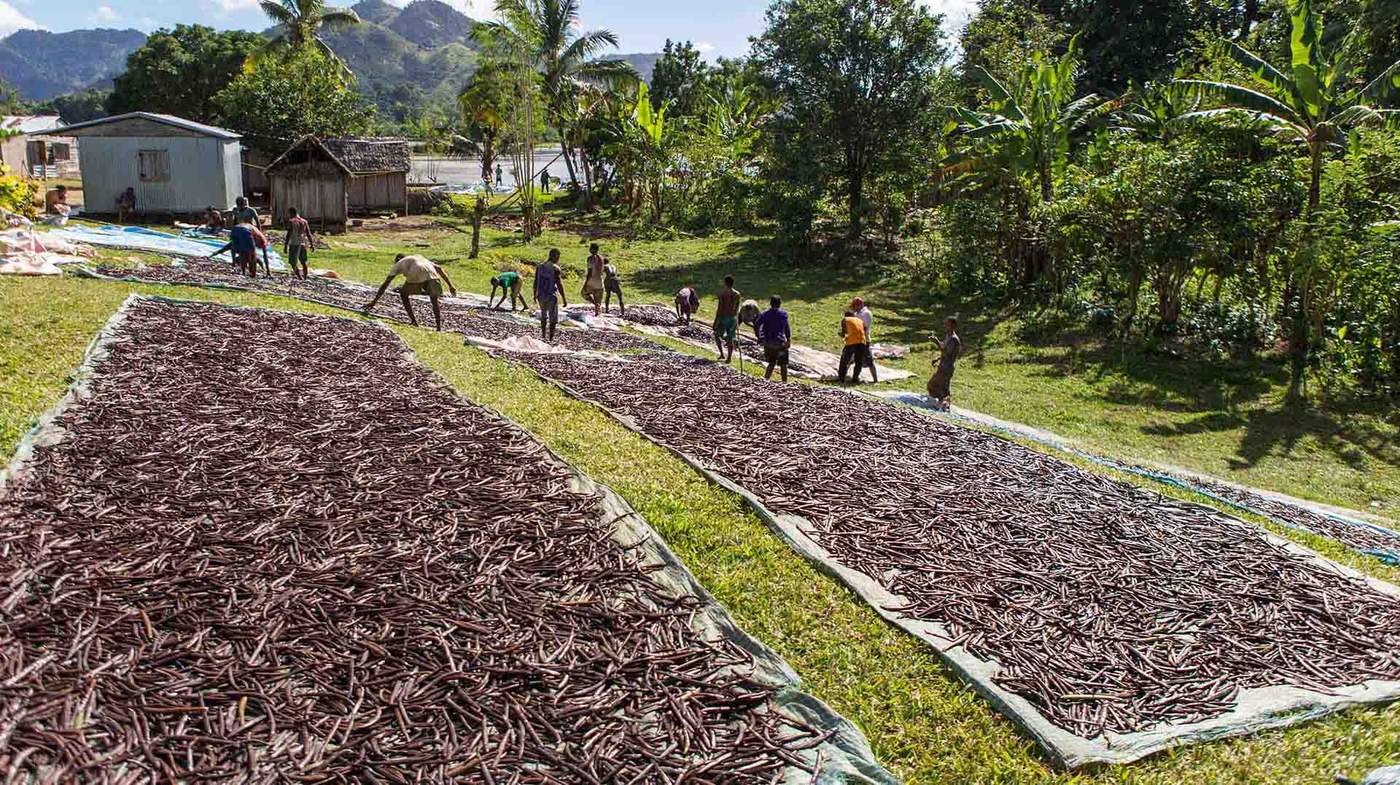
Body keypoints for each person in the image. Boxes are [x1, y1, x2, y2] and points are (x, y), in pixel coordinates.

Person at [363, 254, 458, 331]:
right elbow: (440, 269)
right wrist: (451, 286)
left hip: (416, 270)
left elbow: (385, 284)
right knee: (434, 300)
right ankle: (438, 327)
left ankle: (414, 321)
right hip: (432, 272)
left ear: (397, 260)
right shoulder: (420, 257)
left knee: (404, 295)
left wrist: (374, 301)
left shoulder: (399, 264)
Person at [753, 296, 792, 382]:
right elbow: (786, 328)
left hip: (768, 344)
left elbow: (756, 325)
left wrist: (759, 337)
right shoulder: (783, 314)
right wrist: (788, 339)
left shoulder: (765, 314)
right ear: (780, 304)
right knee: (783, 365)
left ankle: (766, 380)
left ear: (770, 303)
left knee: (771, 363)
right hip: (780, 344)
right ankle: (784, 382)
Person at [928, 317, 962, 411]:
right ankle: (941, 405)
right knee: (938, 386)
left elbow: (948, 354)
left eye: (947, 325)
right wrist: (938, 359)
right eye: (945, 324)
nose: (945, 327)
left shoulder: (954, 339)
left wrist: (937, 343)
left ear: (953, 326)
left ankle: (944, 406)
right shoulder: (948, 337)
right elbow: (944, 348)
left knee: (937, 386)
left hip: (946, 368)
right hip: (943, 365)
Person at [534, 249, 568, 341]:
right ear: (554, 256)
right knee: (553, 319)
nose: (558, 259)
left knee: (544, 315)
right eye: (557, 257)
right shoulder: (555, 268)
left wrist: (535, 294)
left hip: (541, 295)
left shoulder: (540, 267)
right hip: (551, 295)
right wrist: (564, 298)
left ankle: (543, 335)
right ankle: (550, 339)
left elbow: (536, 281)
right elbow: (559, 284)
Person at [838, 310, 872, 384]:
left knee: (844, 361)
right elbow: (865, 329)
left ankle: (841, 379)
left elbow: (844, 333)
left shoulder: (845, 319)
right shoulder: (860, 320)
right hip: (862, 342)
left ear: (846, 316)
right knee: (858, 362)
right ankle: (855, 379)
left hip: (851, 342)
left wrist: (842, 334)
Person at [714, 275, 742, 363]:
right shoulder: (737, 294)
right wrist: (735, 318)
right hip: (732, 318)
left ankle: (722, 353)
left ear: (725, 283)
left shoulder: (723, 294)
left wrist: (716, 320)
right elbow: (737, 308)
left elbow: (720, 308)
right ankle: (729, 358)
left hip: (723, 317)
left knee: (717, 335)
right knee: (730, 338)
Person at [851, 297, 878, 383]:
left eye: (855, 306)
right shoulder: (856, 314)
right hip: (855, 340)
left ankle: (875, 380)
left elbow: (864, 327)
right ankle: (854, 378)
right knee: (856, 360)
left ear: (860, 305)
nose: (854, 307)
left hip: (864, 340)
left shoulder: (866, 314)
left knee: (869, 360)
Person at [284, 207, 314, 280]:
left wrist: (285, 245)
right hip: (302, 243)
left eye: (289, 213)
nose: (289, 215)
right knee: (303, 261)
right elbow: (309, 234)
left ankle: (300, 277)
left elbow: (289, 234)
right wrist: (311, 244)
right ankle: (305, 277)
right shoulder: (304, 221)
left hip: (294, 243)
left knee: (293, 262)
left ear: (292, 213)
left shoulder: (291, 221)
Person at [583, 243, 606, 315]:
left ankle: (594, 303)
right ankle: (597, 313)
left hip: (592, 281)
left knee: (584, 293)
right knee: (598, 299)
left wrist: (586, 282)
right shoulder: (601, 258)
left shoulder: (590, 258)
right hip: (600, 281)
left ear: (592, 249)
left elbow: (589, 272)